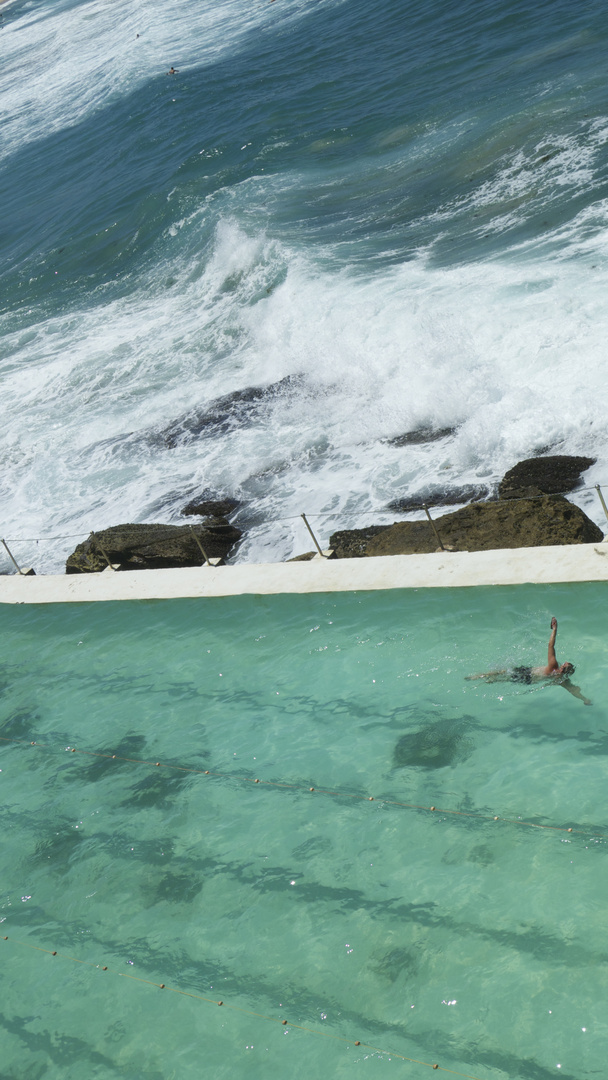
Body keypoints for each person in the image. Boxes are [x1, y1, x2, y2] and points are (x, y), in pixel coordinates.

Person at [466, 617, 592, 704]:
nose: (563, 663)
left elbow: (550, 646)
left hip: (528, 673)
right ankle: (486, 681)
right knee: (504, 678)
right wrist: (585, 699)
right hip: (529, 680)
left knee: (503, 672)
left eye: (565, 664)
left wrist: (555, 629)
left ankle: (477, 677)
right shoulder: (562, 680)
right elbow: (573, 690)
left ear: (562, 668)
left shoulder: (554, 667)